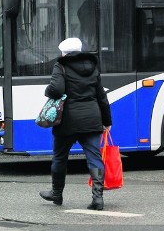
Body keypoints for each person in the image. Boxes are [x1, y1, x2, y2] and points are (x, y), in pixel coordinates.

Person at [39, 37, 112, 210]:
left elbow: (56, 89)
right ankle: (98, 198)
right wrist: (107, 121)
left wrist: (47, 90)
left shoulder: (61, 65)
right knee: (94, 158)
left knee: (60, 157)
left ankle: (57, 193)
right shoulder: (93, 66)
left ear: (65, 52)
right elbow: (102, 96)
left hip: (67, 121)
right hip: (92, 118)